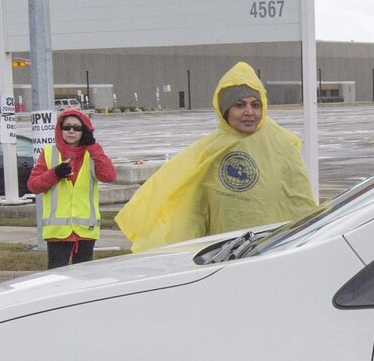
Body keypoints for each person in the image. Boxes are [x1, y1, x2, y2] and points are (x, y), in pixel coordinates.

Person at [116, 61, 318, 252]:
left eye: (255, 105)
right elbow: (193, 207)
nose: (249, 112)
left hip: (275, 248)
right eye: (240, 105)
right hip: (226, 252)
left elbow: (299, 199)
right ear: (225, 110)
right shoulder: (210, 150)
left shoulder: (281, 142)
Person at [26, 108, 116, 268]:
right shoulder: (48, 153)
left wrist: (93, 146)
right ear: (60, 129)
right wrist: (55, 174)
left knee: (83, 282)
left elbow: (109, 176)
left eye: (77, 128)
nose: (71, 131)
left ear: (85, 131)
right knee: (56, 280)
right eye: (67, 127)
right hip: (58, 232)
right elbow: (33, 185)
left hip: (85, 231)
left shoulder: (93, 154)